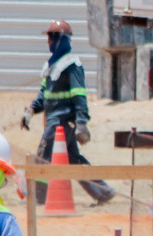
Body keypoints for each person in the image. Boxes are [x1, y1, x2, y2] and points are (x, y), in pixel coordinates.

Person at [21, 19, 114, 207]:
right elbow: (45, 94)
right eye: (47, 37)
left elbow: (79, 95)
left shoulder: (72, 64)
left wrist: (81, 123)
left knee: (43, 155)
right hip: (56, 121)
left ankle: (39, 199)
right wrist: (31, 110)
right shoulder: (50, 65)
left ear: (61, 40)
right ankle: (103, 192)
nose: (48, 42)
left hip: (63, 122)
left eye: (51, 38)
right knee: (73, 160)